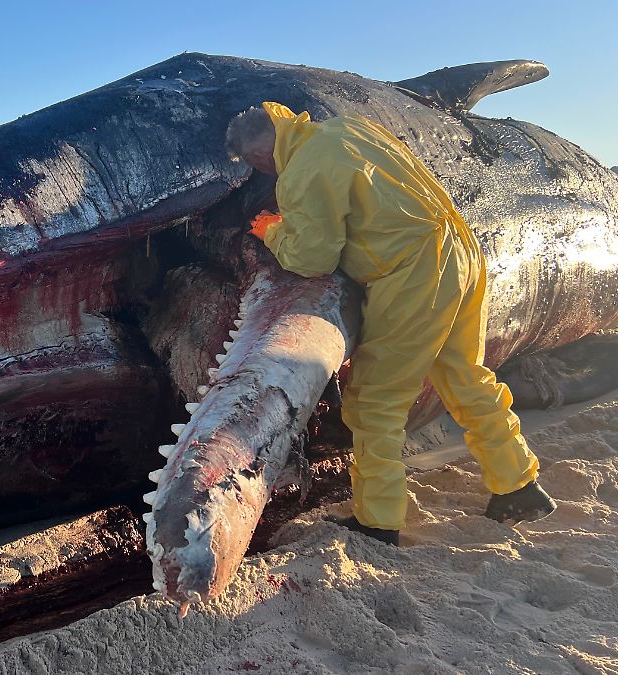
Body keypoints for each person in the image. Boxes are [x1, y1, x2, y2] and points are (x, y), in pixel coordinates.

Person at [225, 102, 556, 545]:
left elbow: (312, 258)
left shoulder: (302, 171)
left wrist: (273, 231)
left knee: (374, 400)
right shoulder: (348, 128)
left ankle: (378, 522)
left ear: (258, 153)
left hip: (412, 274)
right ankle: (520, 485)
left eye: (253, 162)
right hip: (459, 251)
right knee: (466, 377)